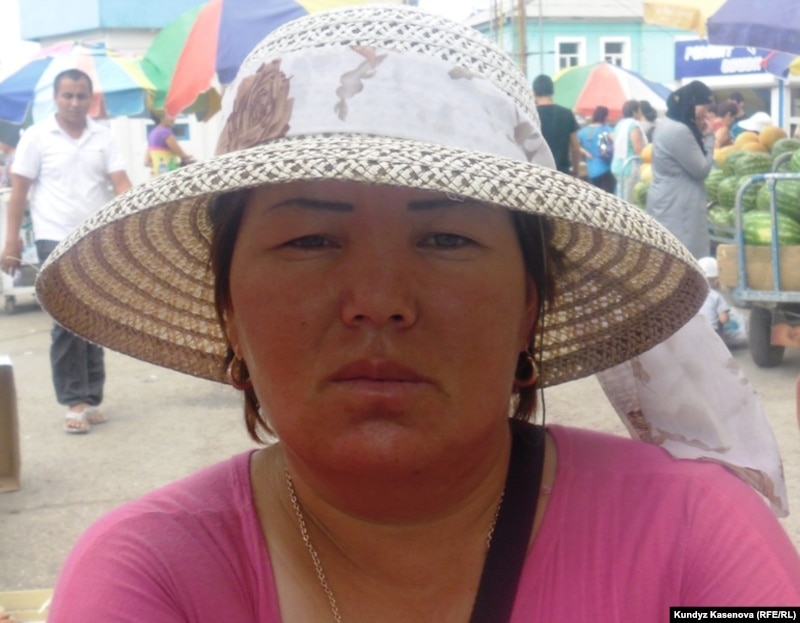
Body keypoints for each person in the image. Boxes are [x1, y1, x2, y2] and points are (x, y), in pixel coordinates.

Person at [34, 6, 800, 621]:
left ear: (529, 305)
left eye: (446, 238)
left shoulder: (694, 542)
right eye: (309, 240)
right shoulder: (151, 576)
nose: (380, 302)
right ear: (228, 307)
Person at [0, 68, 131, 433]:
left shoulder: (103, 136)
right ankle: (74, 401)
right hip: (54, 239)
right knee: (66, 319)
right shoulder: (37, 137)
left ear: (90, 99)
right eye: (67, 95)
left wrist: (134, 213)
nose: (74, 102)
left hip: (96, 239)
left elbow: (121, 182)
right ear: (55, 98)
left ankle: (92, 397)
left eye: (81, 96)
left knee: (94, 318)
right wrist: (10, 240)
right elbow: (20, 192)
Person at [645, 81, 716, 259]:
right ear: (692, 103)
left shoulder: (667, 123)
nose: (707, 114)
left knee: (666, 257)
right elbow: (702, 169)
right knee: (682, 258)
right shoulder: (679, 131)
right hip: (678, 206)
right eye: (705, 107)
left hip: (668, 199)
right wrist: (710, 137)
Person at [532, 73, 582, 176]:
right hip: (562, 173)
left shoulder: (531, 115)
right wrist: (576, 170)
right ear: (553, 91)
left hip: (537, 174)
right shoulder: (567, 114)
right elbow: (575, 147)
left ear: (534, 92)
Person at [610, 99, 647, 202]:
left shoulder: (620, 124)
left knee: (621, 196)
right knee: (629, 200)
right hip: (630, 166)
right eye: (639, 110)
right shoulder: (634, 126)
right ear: (634, 112)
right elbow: (638, 149)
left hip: (618, 165)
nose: (641, 112)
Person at [577, 105, 615, 194]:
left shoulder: (583, 131)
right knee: (608, 197)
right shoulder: (607, 129)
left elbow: (575, 145)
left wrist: (585, 153)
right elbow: (617, 141)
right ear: (605, 117)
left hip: (591, 170)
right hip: (606, 169)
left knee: (595, 196)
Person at [697, 257, 729, 335]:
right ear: (716, 281)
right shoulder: (716, 296)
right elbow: (724, 319)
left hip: (691, 331)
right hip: (710, 332)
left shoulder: (691, 294)